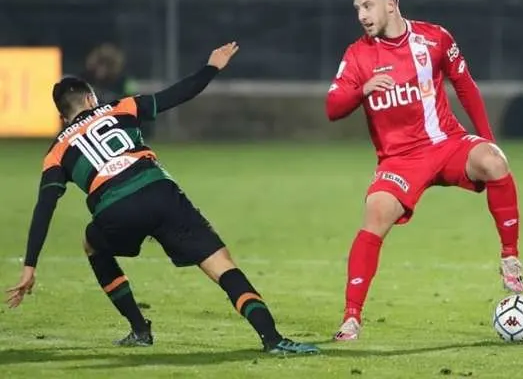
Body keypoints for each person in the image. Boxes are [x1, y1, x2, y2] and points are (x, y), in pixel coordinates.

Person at [6, 42, 319, 355]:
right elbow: (178, 93)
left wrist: (30, 266)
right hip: (159, 192)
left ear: (62, 118)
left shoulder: (56, 152)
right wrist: (211, 67)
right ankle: (273, 339)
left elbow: (44, 209)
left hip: (115, 210)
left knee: (91, 242)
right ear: (91, 99)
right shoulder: (121, 107)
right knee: (220, 265)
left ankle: (140, 329)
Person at [326, 0, 523, 341]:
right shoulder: (358, 55)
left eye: (368, 6)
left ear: (390, 4)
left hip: (445, 143)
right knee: (375, 216)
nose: (362, 15)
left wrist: (486, 138)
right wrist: (362, 90)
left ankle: (510, 257)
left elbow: (465, 86)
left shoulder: (434, 39)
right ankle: (351, 317)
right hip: (399, 160)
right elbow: (333, 107)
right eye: (357, 9)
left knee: (494, 161)